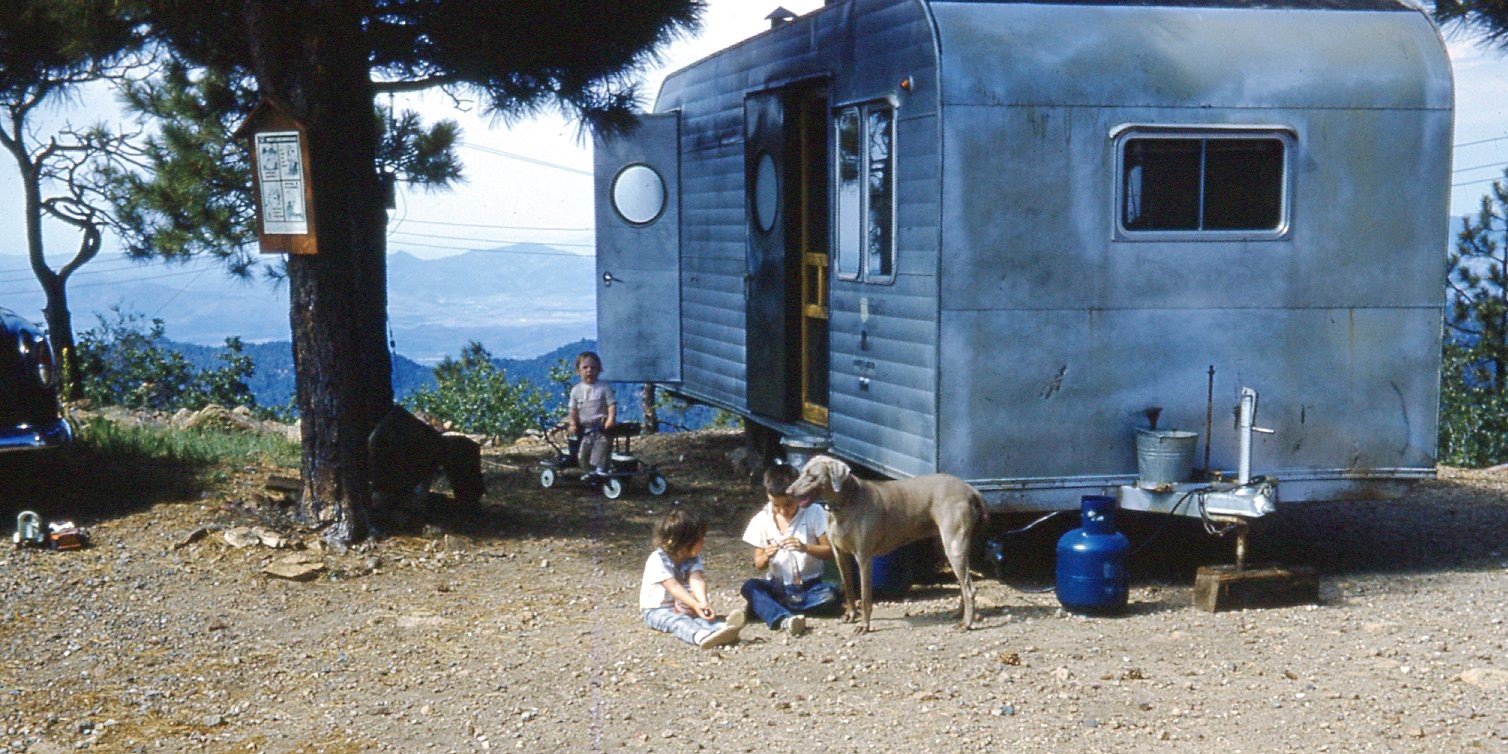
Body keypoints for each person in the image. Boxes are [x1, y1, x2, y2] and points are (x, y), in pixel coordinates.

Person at [738, 464, 840, 636]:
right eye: (776, 506)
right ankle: (783, 618)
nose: (782, 511)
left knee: (830, 595)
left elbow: (830, 552)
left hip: (810, 585)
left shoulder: (814, 512)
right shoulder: (762, 520)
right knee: (749, 587)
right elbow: (759, 564)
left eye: (788, 504)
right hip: (778, 586)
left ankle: (766, 609)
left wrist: (805, 547)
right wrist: (767, 555)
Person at [640, 509, 744, 648]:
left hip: (684, 605)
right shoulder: (657, 560)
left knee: (698, 618)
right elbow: (673, 587)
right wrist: (695, 605)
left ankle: (721, 630)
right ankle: (700, 636)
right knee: (678, 621)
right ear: (683, 541)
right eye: (699, 539)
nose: (702, 542)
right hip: (657, 610)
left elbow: (697, 579)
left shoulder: (691, 558)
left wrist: (702, 603)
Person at [567, 351, 616, 479]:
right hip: (586, 430)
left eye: (593, 368)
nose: (589, 370)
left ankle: (601, 473)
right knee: (582, 455)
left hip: (601, 428)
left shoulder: (603, 387)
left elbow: (611, 405)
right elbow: (572, 409)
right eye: (585, 367)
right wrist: (573, 424)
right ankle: (589, 474)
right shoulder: (576, 390)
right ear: (578, 370)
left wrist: (610, 419)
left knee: (600, 452)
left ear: (599, 369)